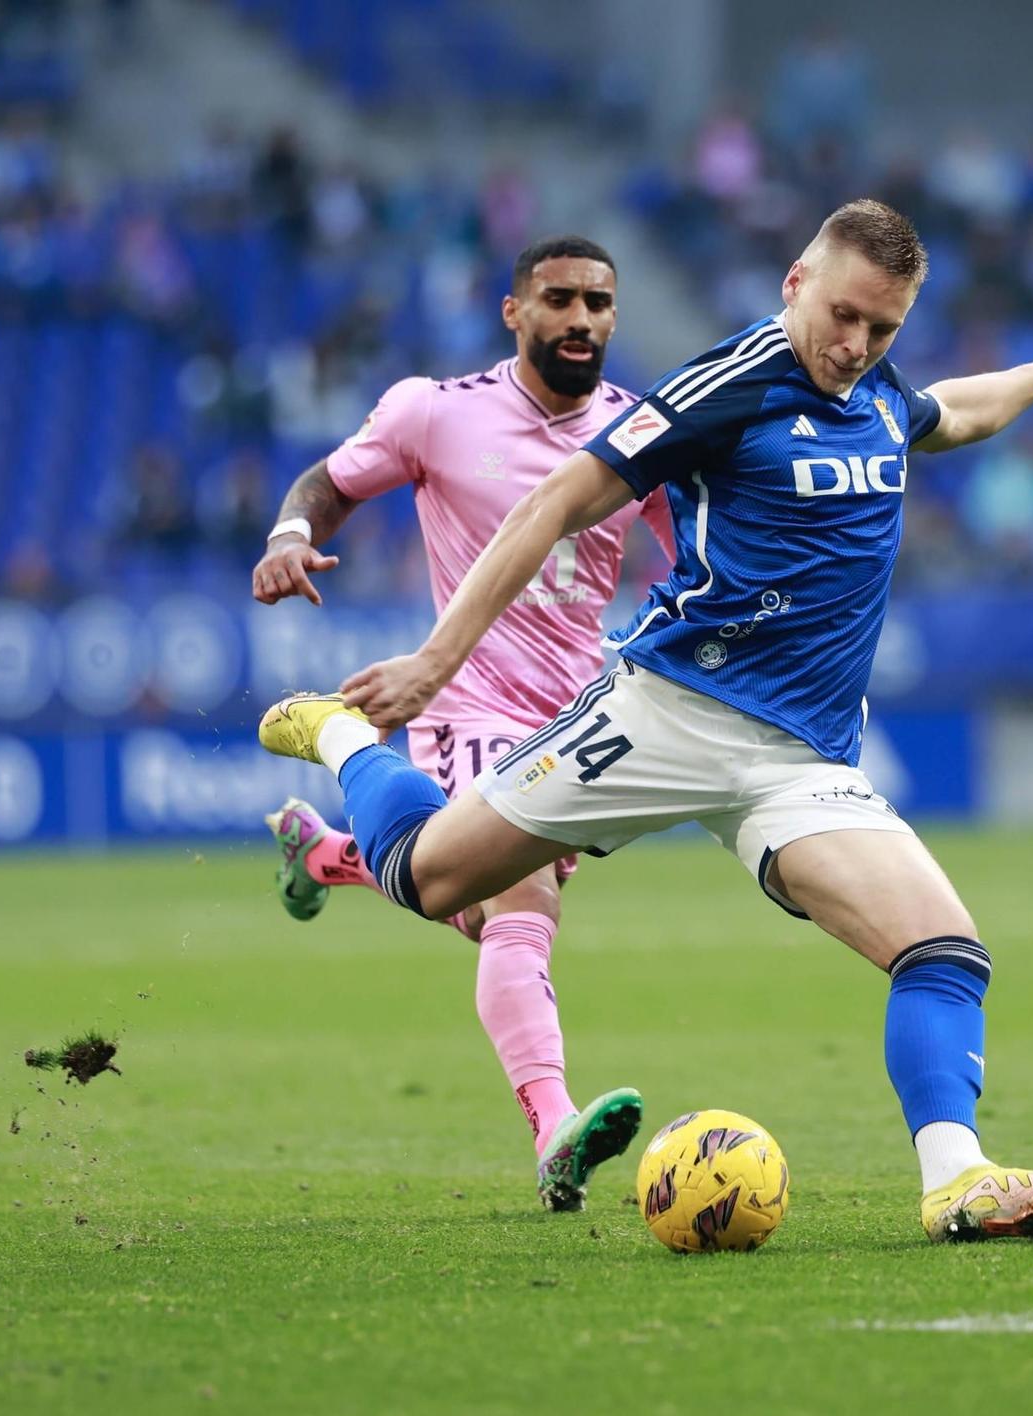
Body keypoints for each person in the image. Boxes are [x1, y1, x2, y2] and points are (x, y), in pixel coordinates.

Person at [256, 199, 1033, 1242]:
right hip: (667, 715)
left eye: (883, 328)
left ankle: (957, 1178)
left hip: (801, 758)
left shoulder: (876, 392)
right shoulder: (725, 384)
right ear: (793, 286)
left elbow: (956, 411)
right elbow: (554, 504)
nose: (854, 346)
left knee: (943, 950)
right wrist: (432, 663)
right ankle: (338, 738)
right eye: (842, 316)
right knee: (430, 878)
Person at [249, 236, 674, 1210]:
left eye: (598, 304)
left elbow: (690, 548)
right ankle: (553, 1130)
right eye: (559, 300)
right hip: (466, 701)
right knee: (518, 908)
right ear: (512, 312)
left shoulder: (639, 433)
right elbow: (331, 481)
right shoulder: (434, 412)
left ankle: (324, 853)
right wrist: (290, 536)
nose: (581, 320)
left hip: (582, 716)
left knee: (465, 900)